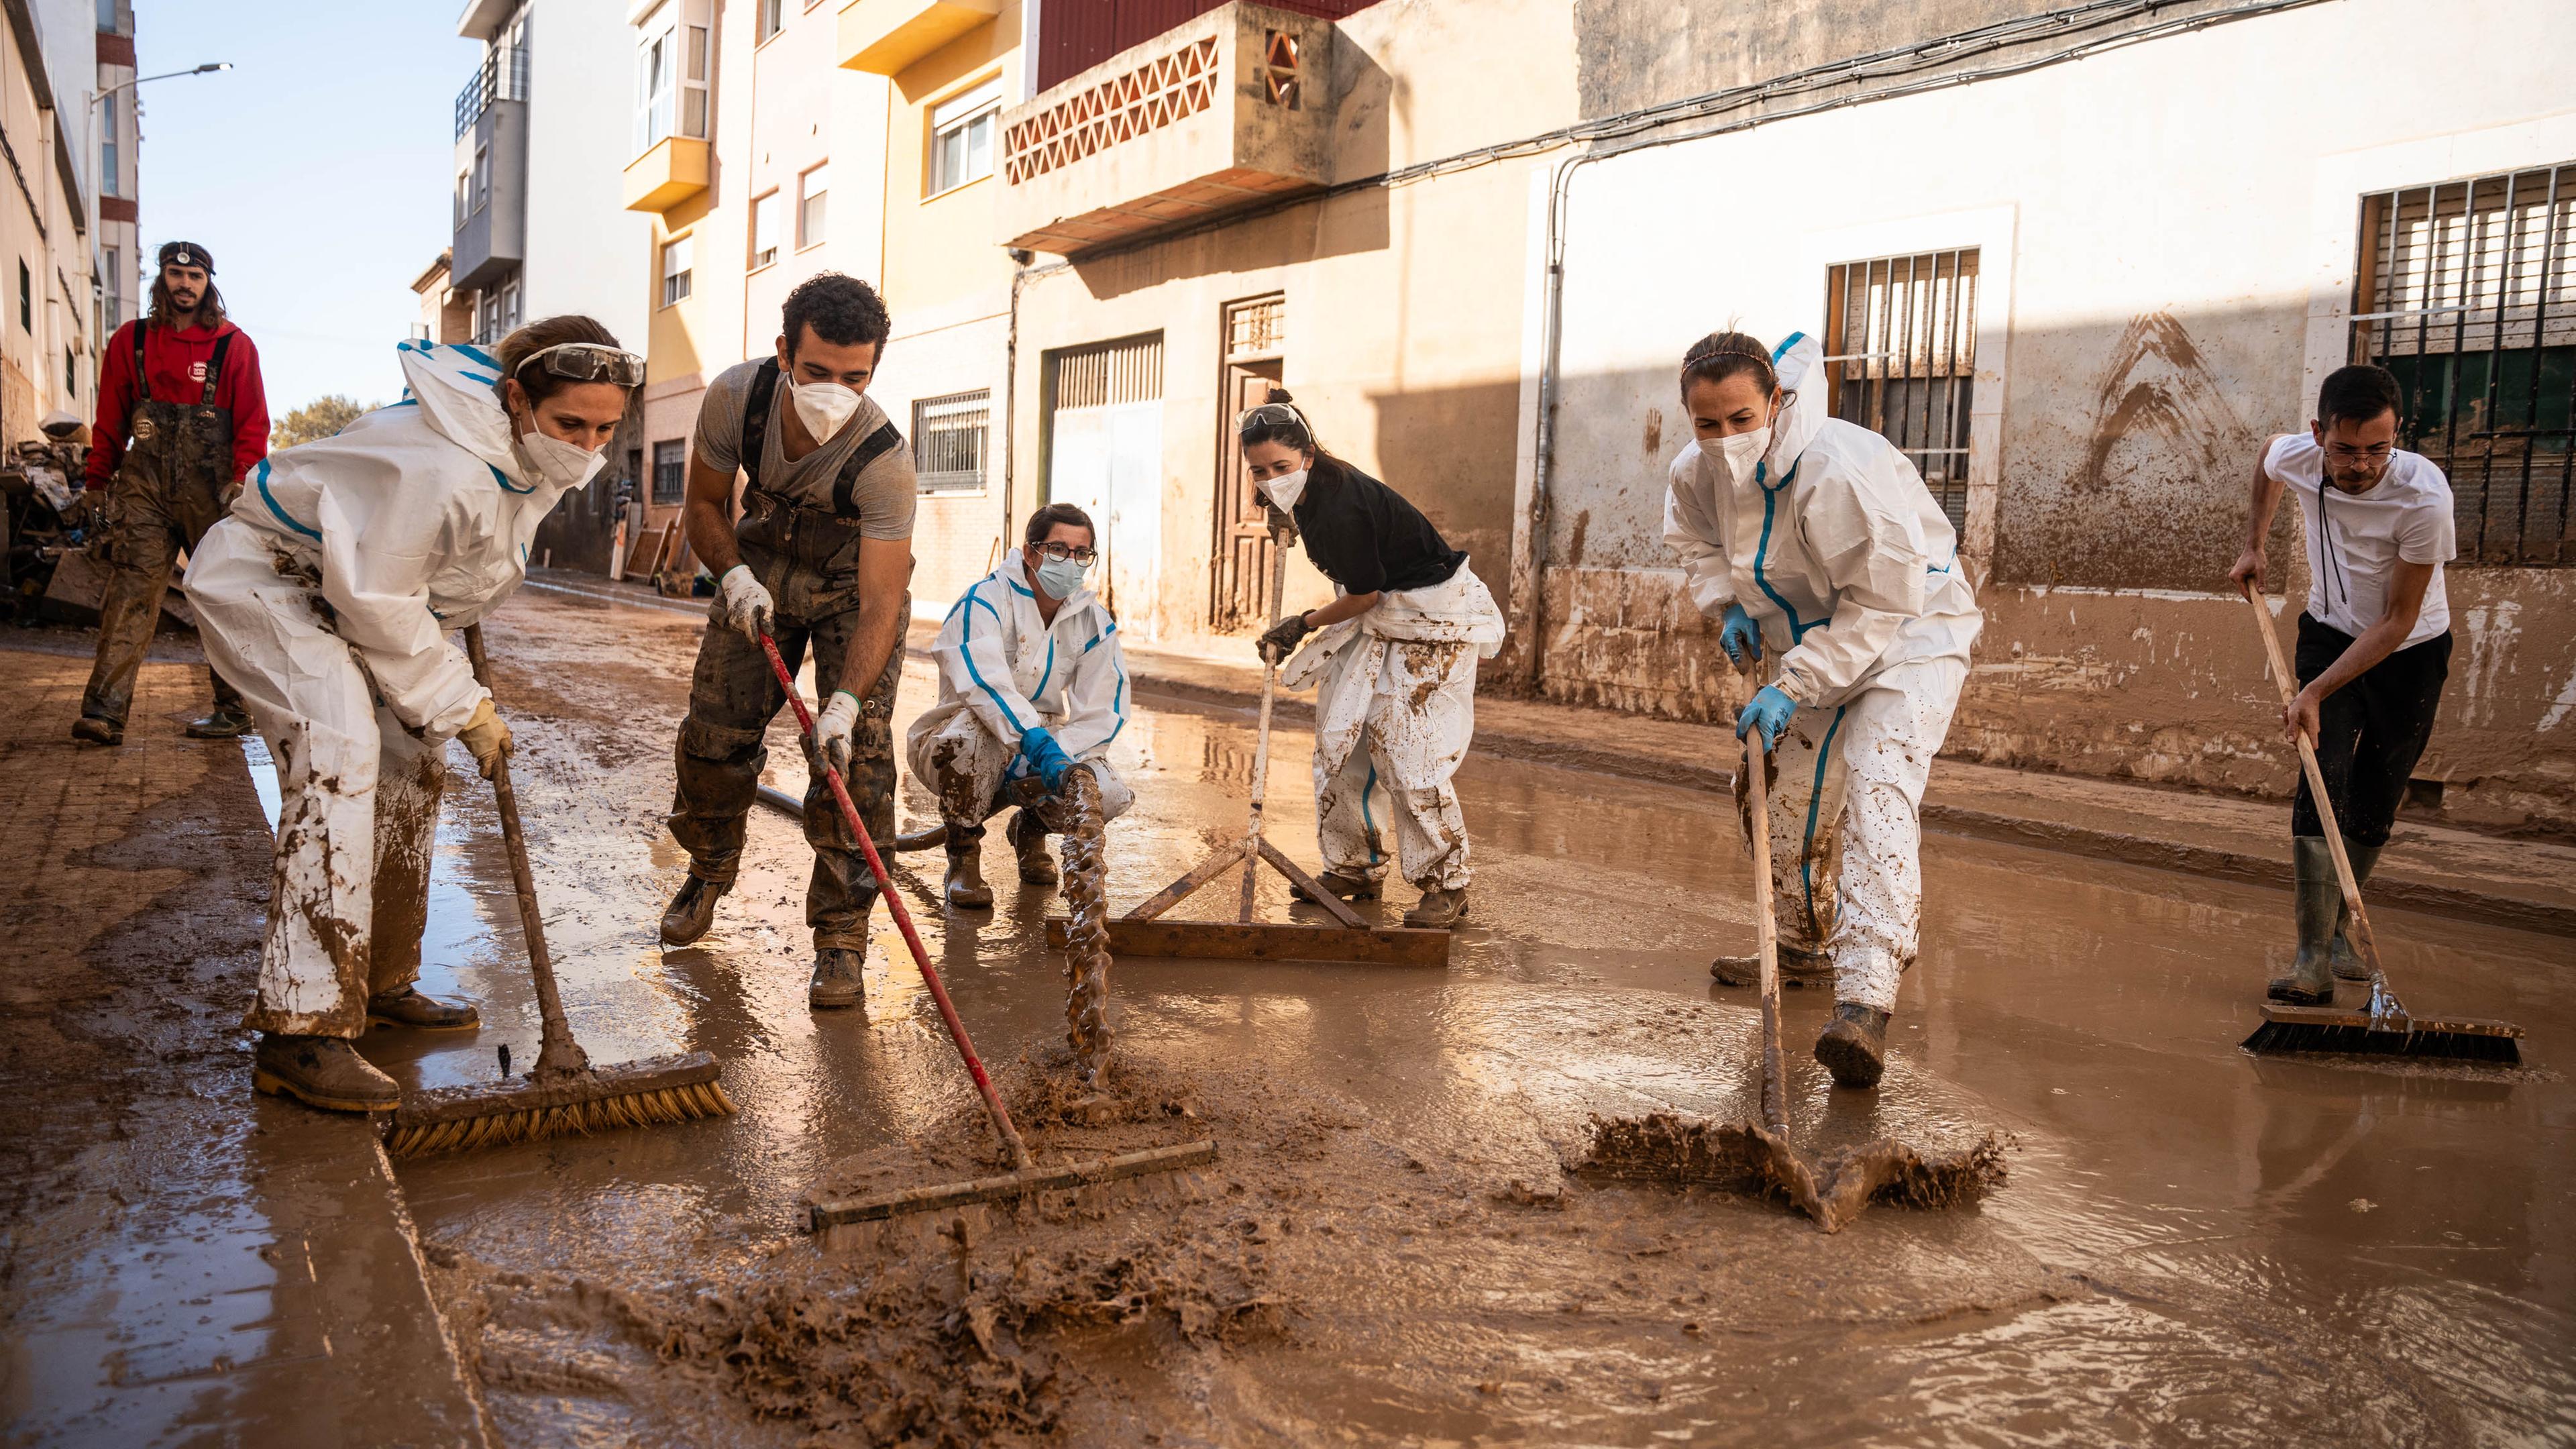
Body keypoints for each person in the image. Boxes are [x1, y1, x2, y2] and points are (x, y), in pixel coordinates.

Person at [184, 319, 640, 1112]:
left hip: (348, 591)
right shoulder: (449, 464)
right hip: (270, 579)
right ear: (515, 397)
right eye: (571, 424)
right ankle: (301, 1030)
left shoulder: (518, 457)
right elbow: (382, 600)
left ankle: (378, 980)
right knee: (339, 751)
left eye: (606, 428)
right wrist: (465, 704)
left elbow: (437, 576)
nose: (588, 443)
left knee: (409, 765)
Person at [1664, 330, 1982, 1090]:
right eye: (1707, 424)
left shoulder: (1838, 467)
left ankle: (1865, 1003)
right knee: (1774, 795)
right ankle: (1803, 943)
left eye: (1741, 418)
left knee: (1877, 792)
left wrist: (1792, 682)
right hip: (1806, 646)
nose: (1726, 437)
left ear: (1775, 401)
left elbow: (1881, 603)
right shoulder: (1694, 474)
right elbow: (1695, 543)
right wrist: (1725, 605)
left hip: (1909, 638)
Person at [657, 274, 916, 1010]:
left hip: (847, 587)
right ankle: (709, 866)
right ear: (784, 354)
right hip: (759, 565)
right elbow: (704, 504)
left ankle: (841, 936)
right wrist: (732, 577)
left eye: (855, 377)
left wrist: (842, 704)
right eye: (817, 372)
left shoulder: (884, 463)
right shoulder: (737, 400)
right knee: (713, 735)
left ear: (873, 370)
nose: (835, 390)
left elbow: (880, 604)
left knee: (856, 760)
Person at [2228, 364, 2453, 1006]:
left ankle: (2338, 935)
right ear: (2318, 434)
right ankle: (2310, 961)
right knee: (2320, 773)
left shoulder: (2425, 499)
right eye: (2345, 450)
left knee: (2380, 789)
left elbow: (2397, 620)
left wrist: (2314, 692)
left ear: (2397, 436)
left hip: (2408, 650)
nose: (2361, 465)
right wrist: (2255, 544)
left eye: (2377, 449)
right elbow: (2267, 460)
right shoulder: (2296, 454)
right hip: (2328, 630)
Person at [1242, 391, 1502, 930]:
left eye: (1282, 468)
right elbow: (1364, 595)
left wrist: (1300, 624)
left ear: (1308, 456)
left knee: (1406, 749)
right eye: (1260, 471)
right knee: (1343, 742)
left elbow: (1363, 594)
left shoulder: (1342, 505)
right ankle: (1354, 868)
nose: (1271, 478)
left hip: (1432, 618)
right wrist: (1285, 515)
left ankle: (1447, 882)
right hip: (1381, 615)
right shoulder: (1306, 494)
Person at [72, 241, 270, 745]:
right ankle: (104, 712)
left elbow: (253, 421)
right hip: (146, 487)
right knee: (132, 592)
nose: (185, 284)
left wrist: (241, 475)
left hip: (213, 490)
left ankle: (233, 708)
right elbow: (110, 419)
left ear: (209, 284)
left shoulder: (234, 346)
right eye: (176, 274)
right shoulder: (132, 341)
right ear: (161, 280)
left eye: (196, 276)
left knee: (219, 597)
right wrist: (98, 481)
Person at [901, 502, 1132, 906]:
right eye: (1058, 549)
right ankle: (963, 853)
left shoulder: (1094, 621)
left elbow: (1104, 710)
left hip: (1039, 742)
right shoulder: (983, 601)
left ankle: (1031, 827)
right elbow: (985, 687)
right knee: (971, 740)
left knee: (1106, 790)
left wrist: (1056, 754)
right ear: (1030, 552)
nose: (1070, 562)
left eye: (1082, 553)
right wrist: (1035, 746)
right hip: (964, 732)